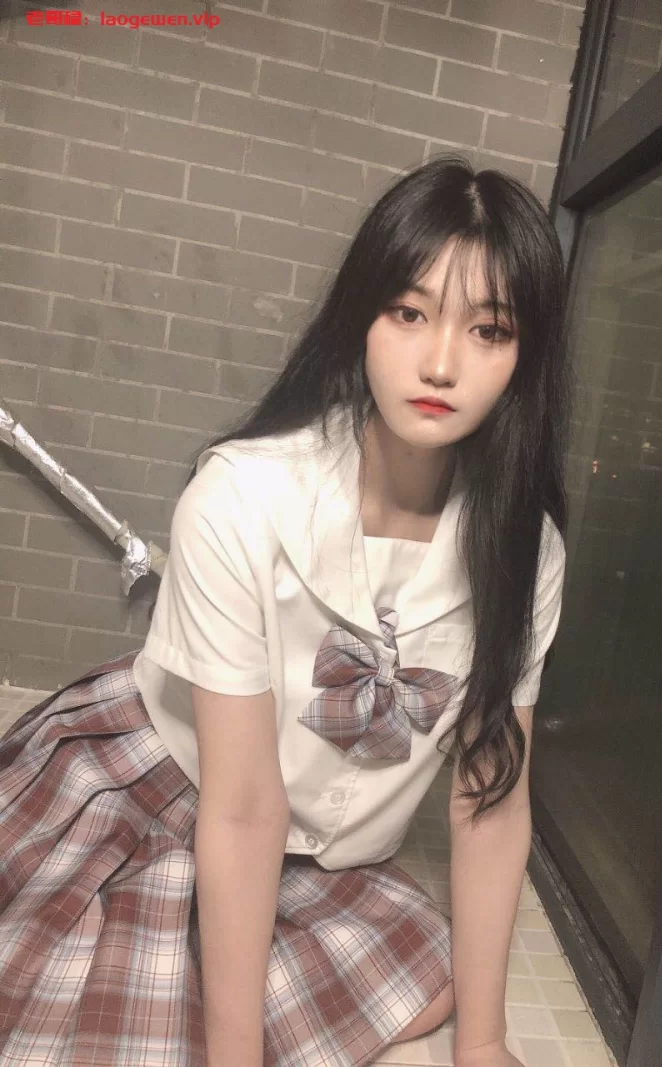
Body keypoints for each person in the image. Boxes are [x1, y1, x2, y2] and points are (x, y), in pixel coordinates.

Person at [0, 154, 570, 1067]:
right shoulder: (238, 497)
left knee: (437, 981)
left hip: (321, 850)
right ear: (362, 318)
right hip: (167, 787)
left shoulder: (527, 550)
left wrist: (487, 1041)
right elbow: (241, 808)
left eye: (489, 330)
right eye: (409, 313)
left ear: (525, 357)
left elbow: (491, 800)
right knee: (101, 1023)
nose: (440, 362)